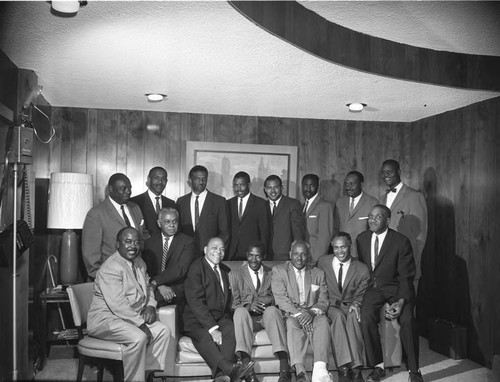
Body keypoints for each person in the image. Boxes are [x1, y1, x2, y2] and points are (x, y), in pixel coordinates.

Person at [87, 227, 170, 382]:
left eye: (136, 242)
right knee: (138, 337)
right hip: (106, 320)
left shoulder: (139, 262)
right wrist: (140, 324)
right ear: (117, 244)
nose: (133, 246)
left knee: (163, 331)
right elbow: (118, 305)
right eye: (128, 242)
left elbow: (148, 287)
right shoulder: (111, 268)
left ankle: (145, 375)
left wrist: (151, 305)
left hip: (128, 318)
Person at [357, 205, 423, 382]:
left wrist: (400, 302)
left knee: (408, 319)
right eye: (370, 216)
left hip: (397, 287)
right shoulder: (361, 239)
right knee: (366, 315)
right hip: (373, 289)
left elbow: (406, 276)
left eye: (378, 217)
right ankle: (377, 366)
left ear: (387, 221)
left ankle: (414, 371)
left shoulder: (401, 241)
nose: (372, 219)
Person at [183, 237, 255, 382]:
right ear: (205, 250)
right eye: (214, 248)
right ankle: (231, 369)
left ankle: (222, 377)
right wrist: (212, 328)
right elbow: (196, 301)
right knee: (205, 337)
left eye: (222, 249)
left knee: (231, 330)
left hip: (220, 316)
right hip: (196, 318)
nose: (219, 252)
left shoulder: (225, 270)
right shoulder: (196, 268)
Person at [271, 241, 332, 382]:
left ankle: (320, 371)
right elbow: (281, 299)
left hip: (312, 312)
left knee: (322, 321)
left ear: (308, 256)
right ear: (290, 254)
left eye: (303, 254)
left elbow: (323, 300)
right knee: (292, 323)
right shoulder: (279, 271)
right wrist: (300, 315)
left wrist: (310, 313)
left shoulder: (318, 273)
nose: (299, 258)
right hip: (291, 314)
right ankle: (300, 372)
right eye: (296, 254)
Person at [230, 242, 291, 382]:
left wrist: (269, 298)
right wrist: (248, 306)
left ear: (263, 256)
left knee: (272, 310)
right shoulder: (235, 274)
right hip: (247, 319)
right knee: (239, 312)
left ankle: (284, 368)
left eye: (258, 256)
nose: (253, 259)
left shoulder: (271, 272)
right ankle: (248, 370)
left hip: (266, 318)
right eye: (251, 255)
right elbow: (233, 304)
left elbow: (280, 296)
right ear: (246, 256)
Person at [317, 232, 370, 382]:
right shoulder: (322, 262)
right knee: (338, 317)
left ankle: (356, 367)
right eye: (336, 247)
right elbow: (315, 283)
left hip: (350, 304)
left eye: (343, 247)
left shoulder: (361, 268)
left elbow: (363, 292)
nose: (340, 251)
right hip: (331, 305)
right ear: (332, 248)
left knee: (353, 316)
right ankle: (344, 367)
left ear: (350, 246)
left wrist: (357, 303)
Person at [82, 173, 144, 280]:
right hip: (110, 278)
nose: (128, 191)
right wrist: (102, 278)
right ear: (111, 189)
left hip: (136, 276)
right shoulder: (96, 213)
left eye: (129, 188)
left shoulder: (135, 208)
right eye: (123, 188)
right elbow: (90, 254)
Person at [379, 159, 427, 290]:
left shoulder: (414, 197)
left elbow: (421, 237)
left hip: (406, 263)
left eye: (390, 171)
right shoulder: (382, 198)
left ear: (399, 172)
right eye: (383, 172)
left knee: (407, 305)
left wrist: (414, 263)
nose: (386, 175)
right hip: (385, 264)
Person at [142, 208, 195, 317]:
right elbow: (148, 270)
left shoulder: (187, 242)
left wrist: (156, 283)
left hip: (177, 286)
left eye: (175, 221)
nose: (172, 225)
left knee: (152, 299)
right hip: (155, 285)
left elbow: (180, 269)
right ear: (159, 223)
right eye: (167, 221)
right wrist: (160, 285)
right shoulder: (149, 243)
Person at [177, 165, 230, 256]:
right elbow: (178, 230)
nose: (201, 182)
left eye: (204, 179)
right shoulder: (181, 202)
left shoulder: (219, 201)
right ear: (190, 181)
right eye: (197, 178)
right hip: (185, 255)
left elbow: (225, 232)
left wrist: (215, 251)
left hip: (211, 256)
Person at [226, 171, 270, 261]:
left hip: (252, 254)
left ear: (249, 185)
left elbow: (264, 232)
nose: (239, 188)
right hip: (231, 253)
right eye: (236, 185)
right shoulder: (228, 204)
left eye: (242, 185)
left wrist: (263, 254)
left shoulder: (261, 204)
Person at [334, 171, 378, 258]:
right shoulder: (340, 202)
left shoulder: (373, 203)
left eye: (352, 184)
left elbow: (375, 231)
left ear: (361, 184)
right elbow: (335, 227)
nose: (348, 187)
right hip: (342, 253)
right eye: (346, 184)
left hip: (362, 253)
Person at [264, 175, 307, 261]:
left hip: (286, 257)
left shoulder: (292, 204)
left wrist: (296, 253)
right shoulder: (262, 206)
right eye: (269, 188)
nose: (273, 191)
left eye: (276, 187)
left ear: (281, 187)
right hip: (266, 257)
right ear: (265, 189)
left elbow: (297, 230)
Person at [130, 166, 178, 237]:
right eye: (156, 178)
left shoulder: (171, 204)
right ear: (149, 180)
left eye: (163, 179)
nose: (160, 182)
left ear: (166, 181)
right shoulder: (135, 202)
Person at [301, 174, 334, 264]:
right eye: (305, 185)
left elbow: (325, 236)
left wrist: (318, 259)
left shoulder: (324, 206)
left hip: (315, 257)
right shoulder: (302, 205)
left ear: (317, 187)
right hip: (303, 256)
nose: (308, 189)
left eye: (311, 186)